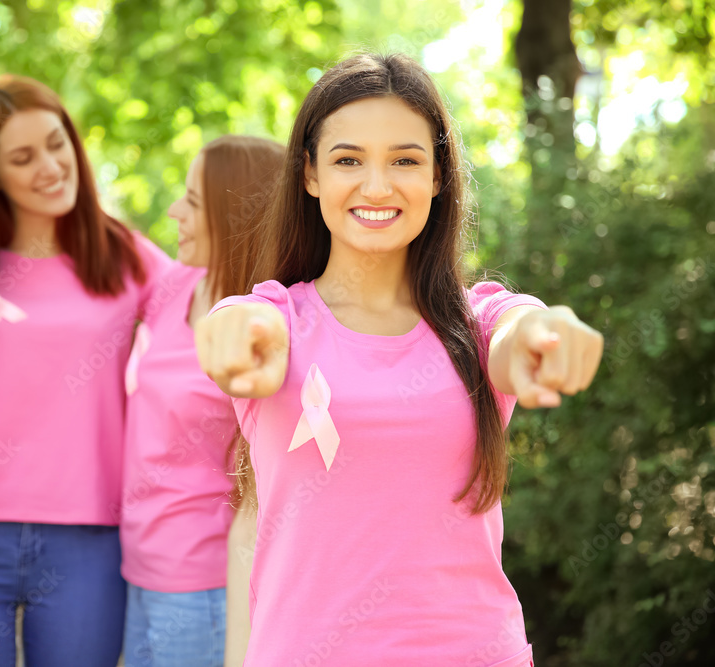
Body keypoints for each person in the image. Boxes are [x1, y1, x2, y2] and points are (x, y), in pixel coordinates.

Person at [195, 53, 604, 666]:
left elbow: (519, 333)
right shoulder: (275, 320)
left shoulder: (478, 322)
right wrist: (228, 335)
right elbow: (240, 328)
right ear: (309, 175)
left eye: (405, 160)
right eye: (348, 160)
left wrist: (545, 336)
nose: (378, 186)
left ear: (439, 176)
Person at [0, 74, 172, 666]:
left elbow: (206, 326)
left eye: (56, 143)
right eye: (23, 157)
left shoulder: (128, 256)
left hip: (89, 535)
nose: (49, 166)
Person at [120, 135, 284, 667]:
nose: (175, 212)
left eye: (193, 201)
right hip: (139, 568)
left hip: (207, 585)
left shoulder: (270, 324)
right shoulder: (175, 285)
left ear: (234, 214)